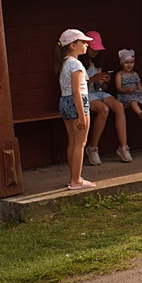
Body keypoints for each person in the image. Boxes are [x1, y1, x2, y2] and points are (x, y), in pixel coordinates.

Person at [81, 30, 133, 164]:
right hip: (84, 95)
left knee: (119, 106)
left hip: (96, 92)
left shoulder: (98, 62)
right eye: (93, 49)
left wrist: (104, 81)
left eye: (97, 49)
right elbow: (78, 87)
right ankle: (93, 148)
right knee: (103, 109)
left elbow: (100, 88)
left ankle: (123, 147)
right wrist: (92, 79)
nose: (95, 52)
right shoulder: (78, 63)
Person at [53, 29, 96, 190]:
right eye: (83, 42)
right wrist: (81, 115)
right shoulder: (76, 64)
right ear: (72, 45)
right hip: (77, 103)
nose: (86, 45)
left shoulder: (63, 62)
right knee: (80, 143)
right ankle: (76, 180)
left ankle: (74, 177)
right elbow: (77, 91)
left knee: (73, 142)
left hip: (64, 101)